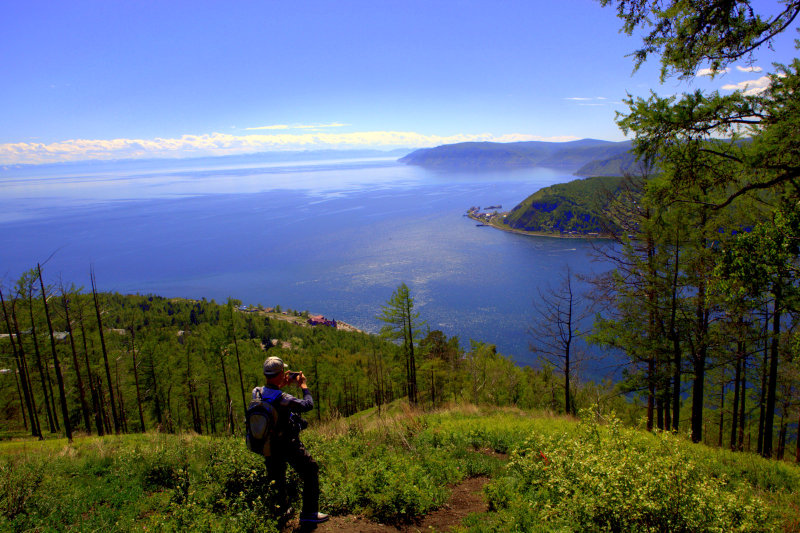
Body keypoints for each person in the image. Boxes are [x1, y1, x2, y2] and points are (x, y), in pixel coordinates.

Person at [256, 356, 329, 525]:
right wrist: (303, 386)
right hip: (286, 443)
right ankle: (309, 513)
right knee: (310, 469)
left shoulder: (257, 391)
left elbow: (271, 395)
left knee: (276, 478)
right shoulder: (283, 398)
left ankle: (281, 513)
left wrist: (281, 383)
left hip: (268, 444)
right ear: (281, 372)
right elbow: (307, 405)